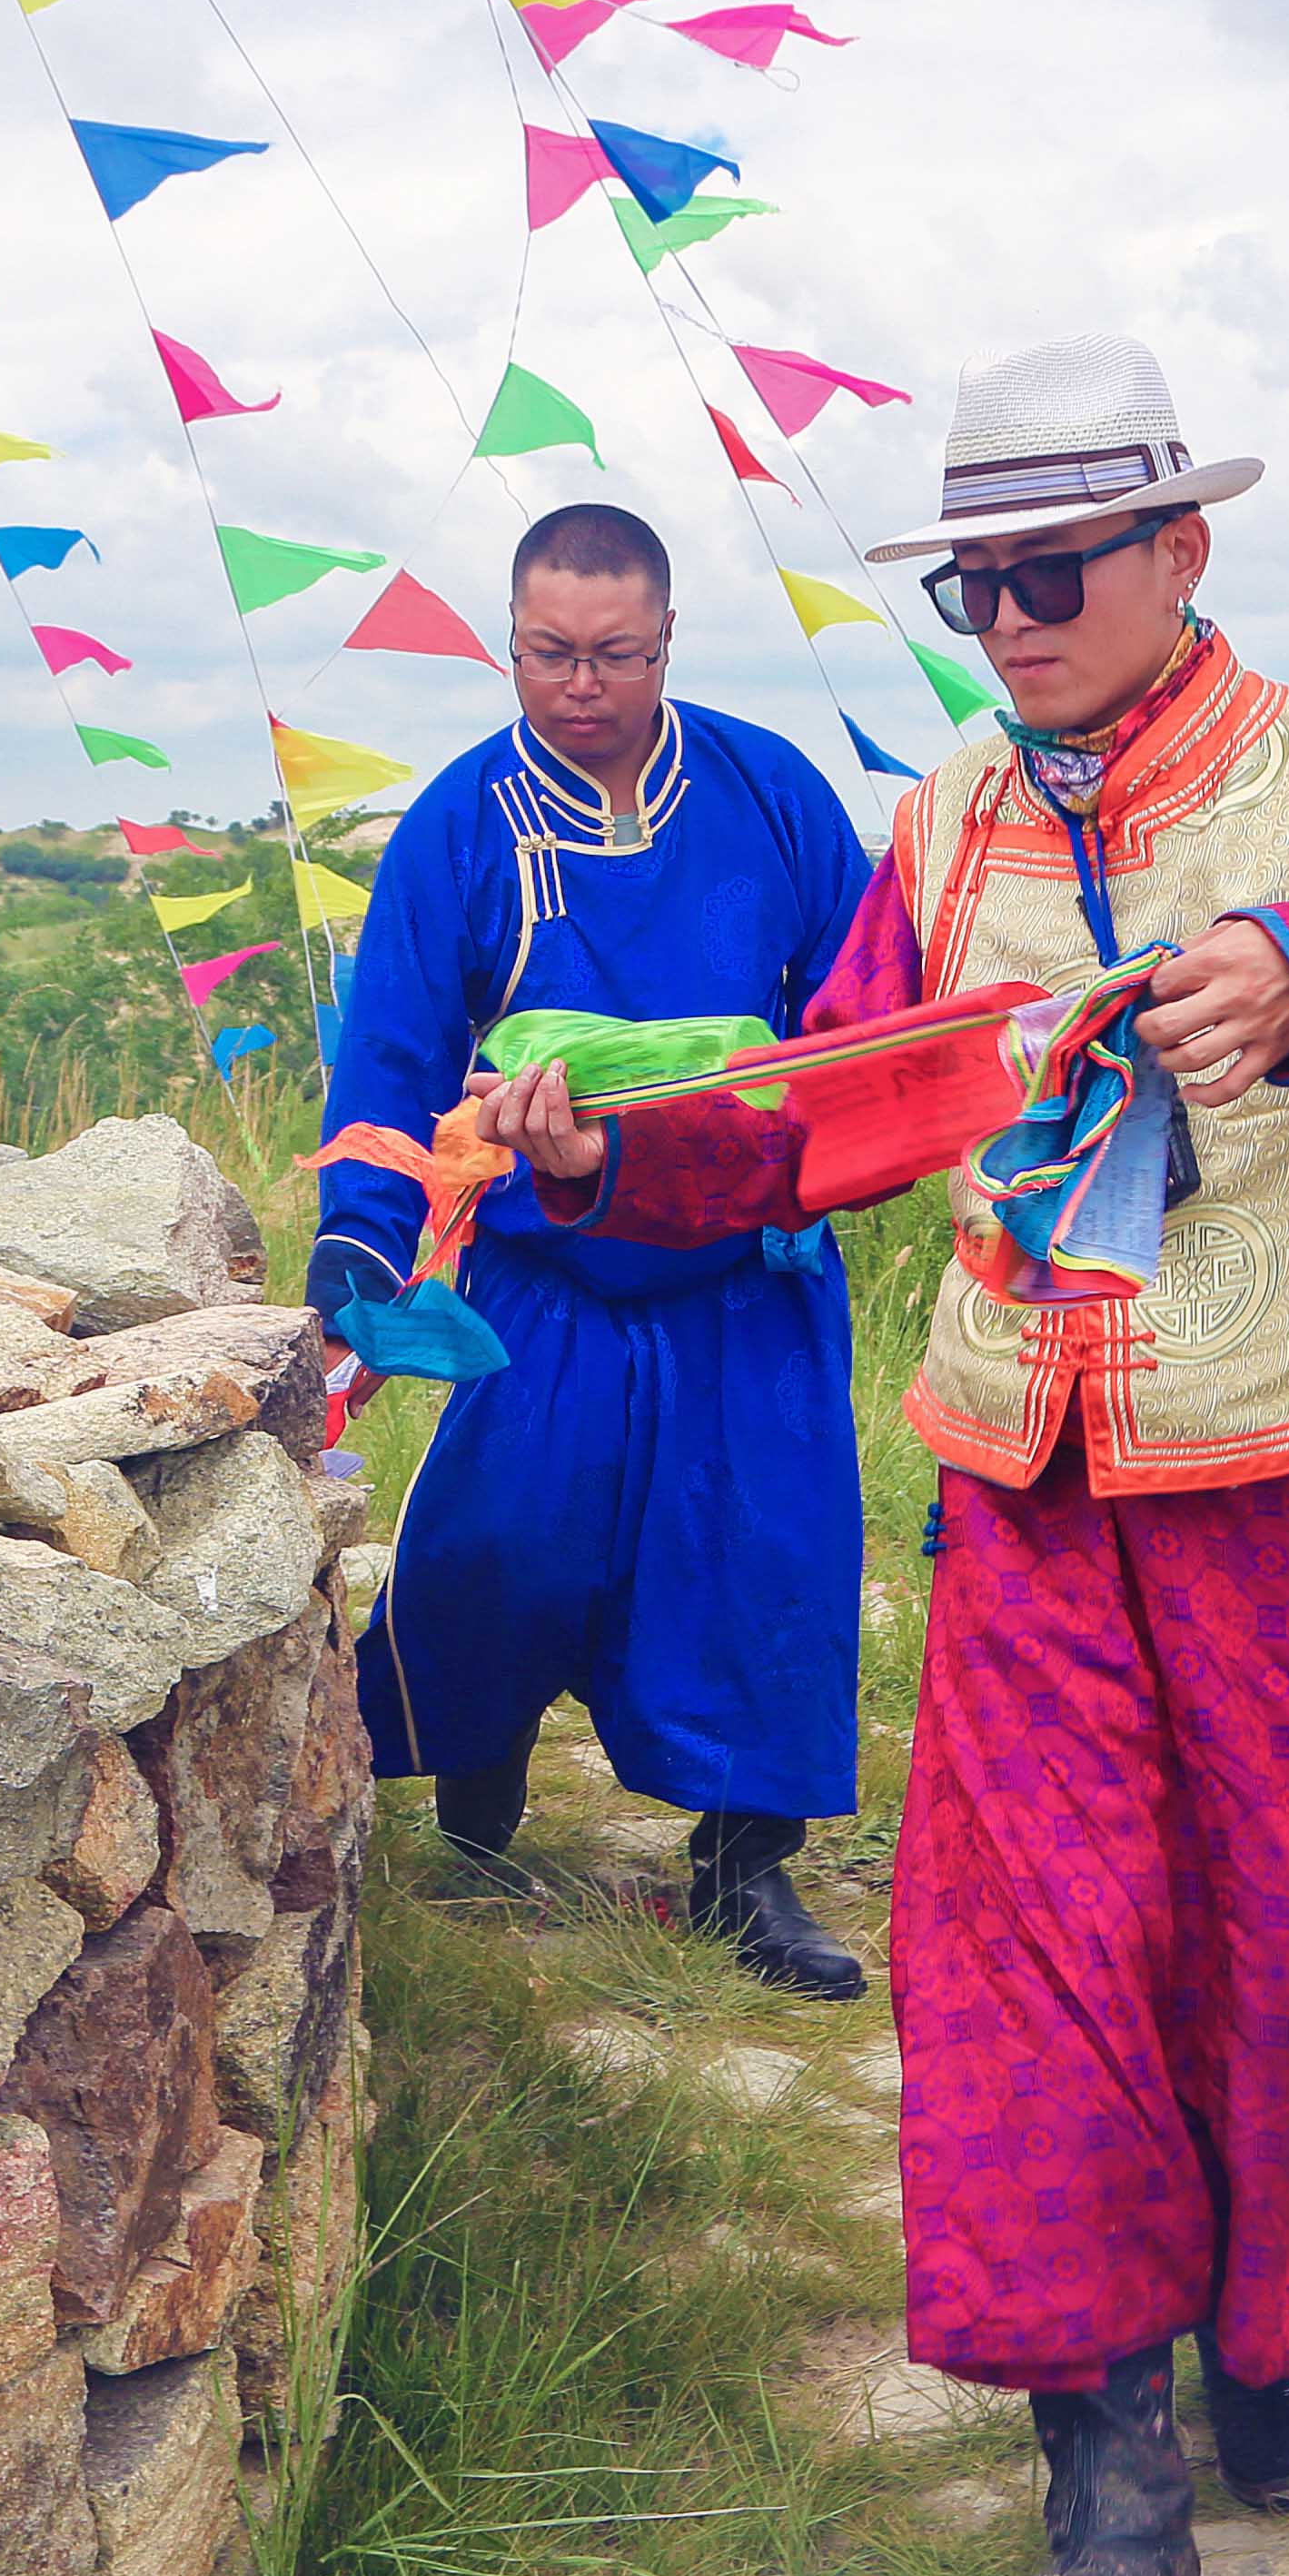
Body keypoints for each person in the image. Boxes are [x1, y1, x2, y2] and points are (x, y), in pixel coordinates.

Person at [471, 339, 1289, 2576]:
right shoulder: (946, 826)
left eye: (1052, 574)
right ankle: (1105, 2457)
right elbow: (828, 1101)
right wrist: (611, 1155)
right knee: (1034, 1944)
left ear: (1179, 552)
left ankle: (1275, 2321)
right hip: (1029, 1479)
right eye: (973, 588)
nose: (1007, 623)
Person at [313, 503, 882, 1998]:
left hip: (745, 1258)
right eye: (549, 652)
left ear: (668, 640)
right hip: (545, 1264)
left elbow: (857, 1024)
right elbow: (390, 1060)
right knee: (505, 1540)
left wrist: (798, 1149)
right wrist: (360, 1245)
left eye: (617, 654)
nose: (581, 684)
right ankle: (475, 1748)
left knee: (761, 1549)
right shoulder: (458, 823)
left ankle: (745, 1862)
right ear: (510, 643)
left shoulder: (771, 793)